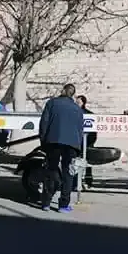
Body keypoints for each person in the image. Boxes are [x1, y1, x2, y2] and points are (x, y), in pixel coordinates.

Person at [38, 83, 84, 212]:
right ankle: (63, 205)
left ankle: (46, 202)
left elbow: (44, 123)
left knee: (51, 171)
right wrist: (78, 147)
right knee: (67, 174)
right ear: (73, 94)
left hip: (53, 141)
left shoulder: (52, 103)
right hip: (71, 145)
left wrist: (43, 141)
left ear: (63, 91)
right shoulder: (77, 109)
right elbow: (80, 129)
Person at [76, 95, 96, 189]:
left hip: (88, 142)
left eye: (78, 102)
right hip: (76, 142)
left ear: (83, 103)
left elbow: (93, 132)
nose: (77, 104)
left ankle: (88, 180)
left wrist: (90, 142)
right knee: (76, 163)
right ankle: (75, 181)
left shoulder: (89, 114)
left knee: (88, 163)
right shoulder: (73, 113)